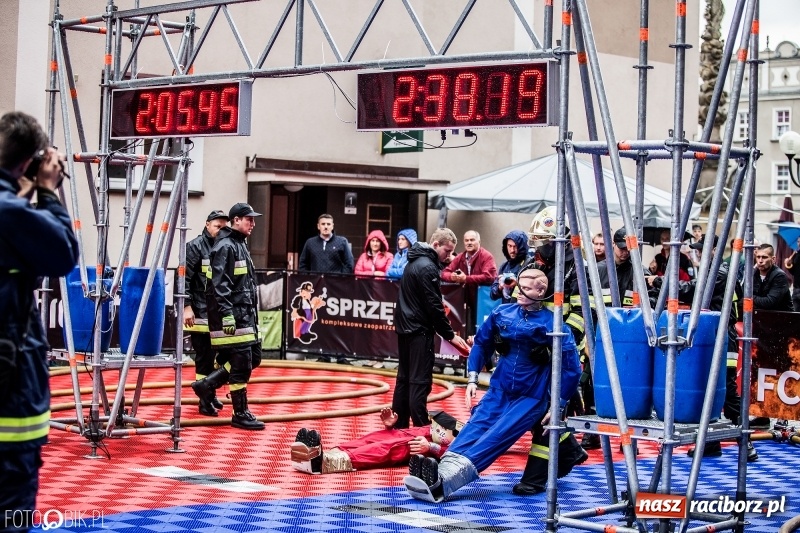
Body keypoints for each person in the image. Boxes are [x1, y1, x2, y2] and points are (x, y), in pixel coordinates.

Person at [404, 267, 582, 502]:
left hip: (531, 397)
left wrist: (558, 403)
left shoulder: (554, 325)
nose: (519, 292)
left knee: (496, 437)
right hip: (499, 389)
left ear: (541, 293)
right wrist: (473, 377)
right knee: (474, 427)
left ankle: (444, 482)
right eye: (519, 287)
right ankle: (440, 470)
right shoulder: (502, 313)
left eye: (527, 289)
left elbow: (572, 368)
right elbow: (481, 344)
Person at [0, 111, 79, 530]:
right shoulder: (10, 214)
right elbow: (63, 253)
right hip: (10, 397)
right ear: (29, 163)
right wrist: (47, 193)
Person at [646, 235, 757, 462]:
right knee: (708, 387)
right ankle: (711, 441)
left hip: (723, 336)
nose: (697, 253)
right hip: (712, 334)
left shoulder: (719, 272)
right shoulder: (716, 269)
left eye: (701, 249)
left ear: (714, 249)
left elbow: (692, 290)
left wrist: (658, 281)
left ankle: (746, 443)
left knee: (726, 388)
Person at [512, 206, 589, 490]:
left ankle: (534, 479)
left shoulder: (576, 268)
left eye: (542, 240)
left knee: (549, 411)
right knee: (533, 408)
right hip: (533, 350)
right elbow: (517, 301)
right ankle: (569, 450)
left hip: (561, 352)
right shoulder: (535, 264)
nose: (537, 246)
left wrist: (555, 345)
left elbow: (582, 316)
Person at [192, 203, 264, 431]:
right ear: (236, 220)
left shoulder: (239, 244)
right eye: (249, 219)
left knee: (254, 358)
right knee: (242, 363)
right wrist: (227, 315)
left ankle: (207, 384)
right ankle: (240, 413)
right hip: (234, 316)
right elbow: (219, 285)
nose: (253, 224)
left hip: (245, 315)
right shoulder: (225, 246)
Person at [393, 228, 470, 429]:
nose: (450, 256)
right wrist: (450, 335)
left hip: (405, 327)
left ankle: (399, 426)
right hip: (419, 329)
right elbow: (434, 305)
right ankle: (422, 427)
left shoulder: (414, 261)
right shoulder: (427, 267)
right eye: (447, 251)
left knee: (404, 379)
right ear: (436, 245)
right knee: (419, 381)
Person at [290, 408, 462, 474]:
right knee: (366, 440)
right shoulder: (430, 428)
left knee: (378, 449)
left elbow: (455, 453)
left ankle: (324, 463)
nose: (437, 428)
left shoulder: (459, 438)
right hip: (399, 435)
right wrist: (390, 426)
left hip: (405, 446)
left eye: (441, 428)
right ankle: (316, 453)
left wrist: (430, 447)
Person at [182, 210, 229, 417]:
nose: (221, 230)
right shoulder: (194, 247)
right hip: (200, 310)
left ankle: (210, 392)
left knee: (219, 355)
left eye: (224, 227)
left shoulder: (224, 245)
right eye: (217, 226)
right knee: (204, 356)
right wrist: (186, 306)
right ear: (207, 224)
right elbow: (184, 278)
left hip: (217, 310)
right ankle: (205, 401)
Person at [298, 213, 354, 364]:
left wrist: (339, 280)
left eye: (328, 224)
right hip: (317, 289)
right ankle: (325, 355)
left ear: (333, 226)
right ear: (318, 226)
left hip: (337, 290)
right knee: (321, 322)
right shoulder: (310, 243)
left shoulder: (342, 242)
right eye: (323, 224)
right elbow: (303, 264)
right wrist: (309, 280)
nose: (326, 227)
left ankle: (341, 355)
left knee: (338, 321)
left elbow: (349, 264)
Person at [441, 230, 498, 334]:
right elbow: (444, 273)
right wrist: (452, 277)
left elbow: (489, 276)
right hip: (465, 301)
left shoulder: (486, 256)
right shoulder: (460, 257)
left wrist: (466, 279)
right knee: (466, 330)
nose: (469, 243)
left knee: (482, 329)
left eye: (472, 240)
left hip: (483, 301)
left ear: (479, 241)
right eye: (466, 240)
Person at [490, 230, 529, 304]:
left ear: (522, 247)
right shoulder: (504, 266)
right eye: (509, 246)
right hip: (507, 308)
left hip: (523, 308)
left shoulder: (529, 264)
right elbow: (492, 295)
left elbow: (534, 289)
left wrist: (517, 283)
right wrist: (500, 287)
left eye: (515, 246)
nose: (512, 250)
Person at [753, 244, 792, 312]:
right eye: (758, 257)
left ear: (773, 259)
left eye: (764, 257)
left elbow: (770, 302)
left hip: (781, 316)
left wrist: (750, 298)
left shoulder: (779, 276)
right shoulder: (753, 273)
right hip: (759, 315)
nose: (760, 261)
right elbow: (741, 296)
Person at [782, 238, 800, 312]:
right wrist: (788, 264)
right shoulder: (796, 254)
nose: (799, 243)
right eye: (798, 241)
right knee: (795, 312)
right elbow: (794, 272)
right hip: (796, 288)